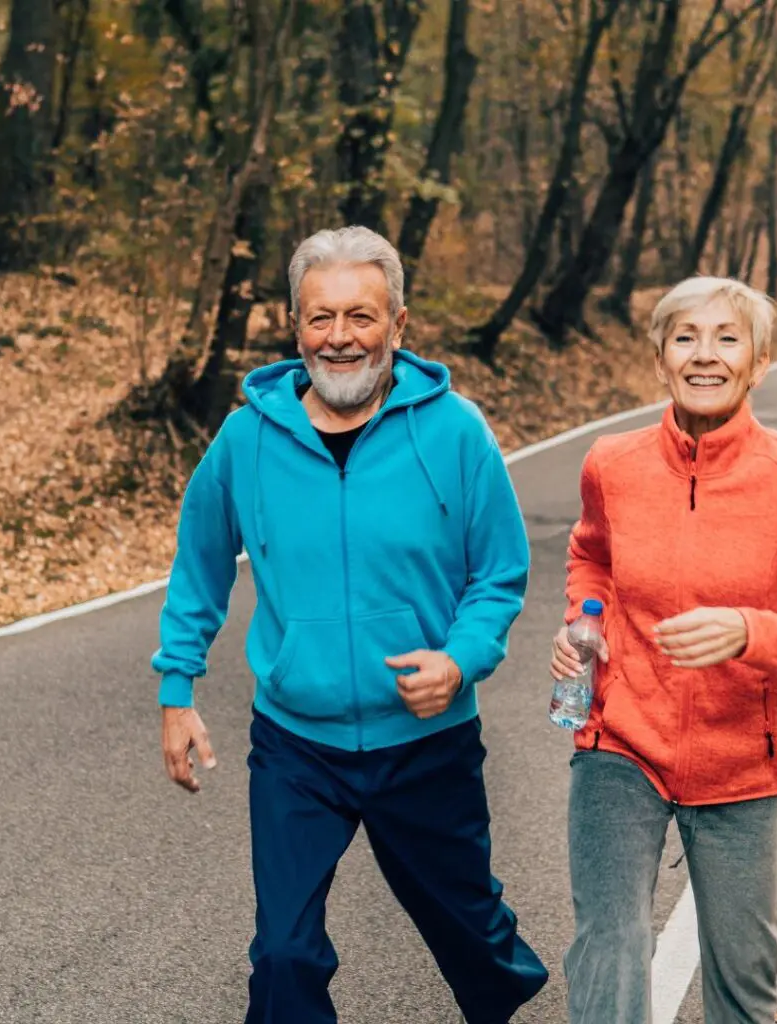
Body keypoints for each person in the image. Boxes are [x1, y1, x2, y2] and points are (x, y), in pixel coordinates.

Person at [151, 225, 548, 1024]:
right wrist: (176, 687)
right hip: (298, 745)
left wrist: (460, 660)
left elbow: (499, 574)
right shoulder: (246, 439)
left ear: (399, 325)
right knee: (285, 956)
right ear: (296, 328)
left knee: (473, 936)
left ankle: (503, 990)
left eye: (361, 317)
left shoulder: (455, 431)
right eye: (320, 318)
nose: (340, 338)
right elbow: (199, 566)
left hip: (425, 740)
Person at [549, 276, 777, 1024]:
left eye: (727, 339)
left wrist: (749, 631)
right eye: (686, 337)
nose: (705, 355)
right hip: (619, 742)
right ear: (661, 357)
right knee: (609, 951)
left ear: (758, 363)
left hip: (743, 764)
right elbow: (590, 557)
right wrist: (583, 621)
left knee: (743, 978)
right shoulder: (612, 463)